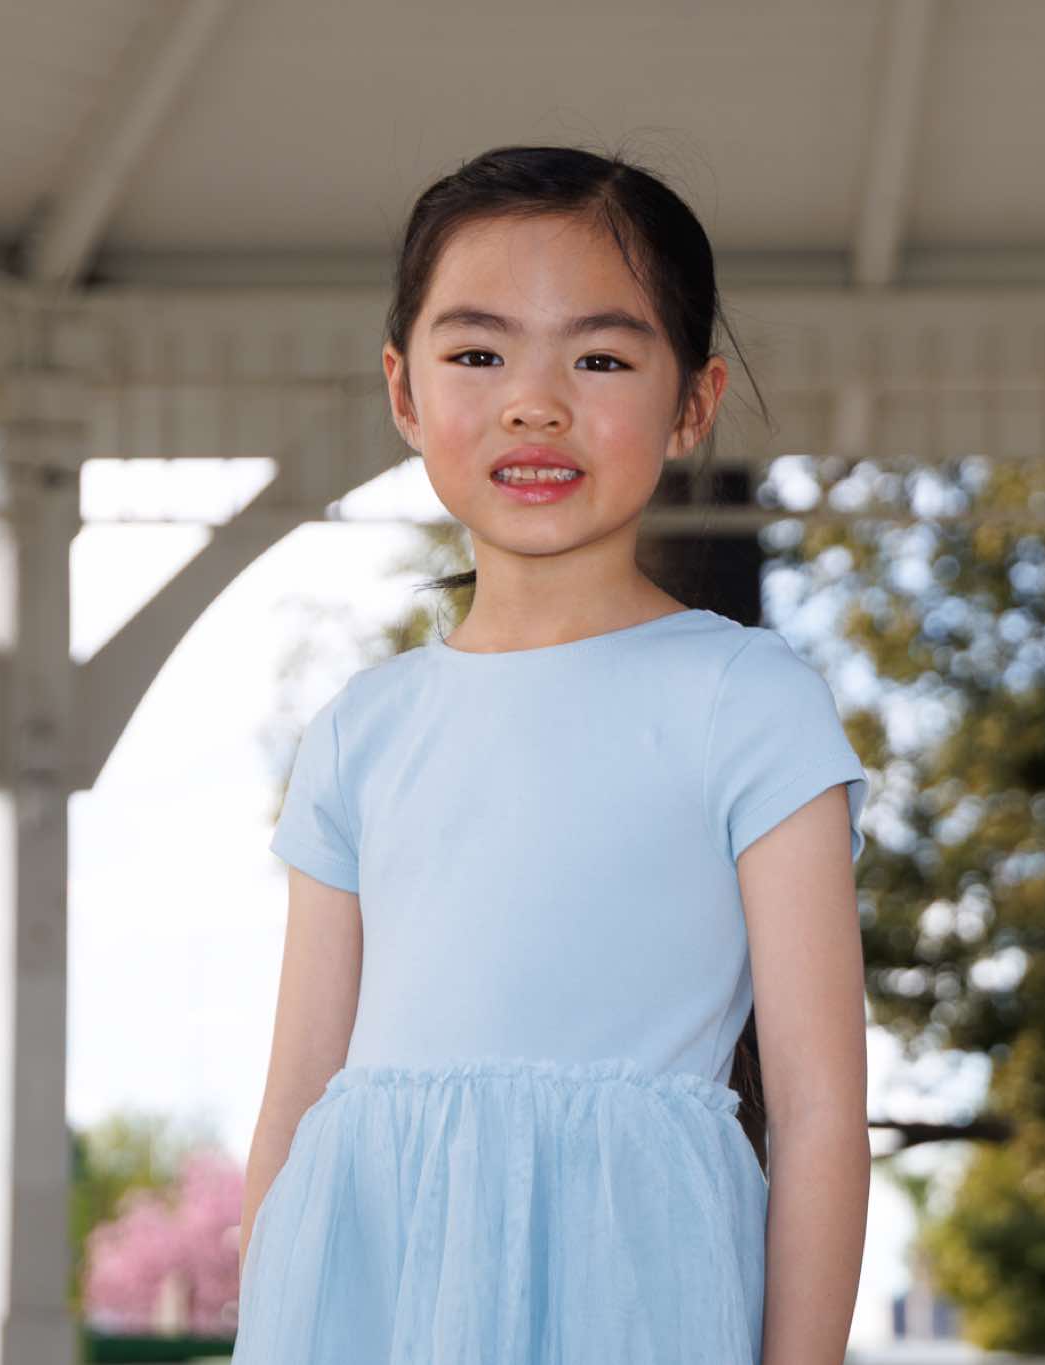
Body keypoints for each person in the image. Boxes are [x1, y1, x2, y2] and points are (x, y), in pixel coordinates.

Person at [232, 144, 872, 1364]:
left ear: (692, 402)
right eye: (478, 354)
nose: (534, 403)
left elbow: (817, 1111)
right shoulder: (360, 731)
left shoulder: (747, 702)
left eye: (599, 358)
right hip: (373, 1306)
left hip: (637, 1302)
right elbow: (296, 1102)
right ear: (402, 390)